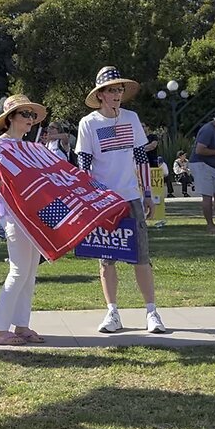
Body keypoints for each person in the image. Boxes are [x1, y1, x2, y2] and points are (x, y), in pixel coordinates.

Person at [76, 67, 166, 334]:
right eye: (112, 90)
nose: (118, 95)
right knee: (106, 259)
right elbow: (84, 166)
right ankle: (112, 312)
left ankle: (152, 312)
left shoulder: (131, 118)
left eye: (120, 90)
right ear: (101, 94)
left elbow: (141, 158)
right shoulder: (89, 123)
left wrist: (147, 193)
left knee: (141, 257)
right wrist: (89, 200)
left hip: (131, 197)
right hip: (104, 200)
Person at [0, 94, 49, 346]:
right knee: (19, 270)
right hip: (16, 216)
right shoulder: (0, 148)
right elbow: (7, 182)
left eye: (32, 115)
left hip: (32, 215)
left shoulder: (28, 147)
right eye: (25, 114)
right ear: (10, 118)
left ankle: (21, 325)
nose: (30, 120)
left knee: (29, 271)